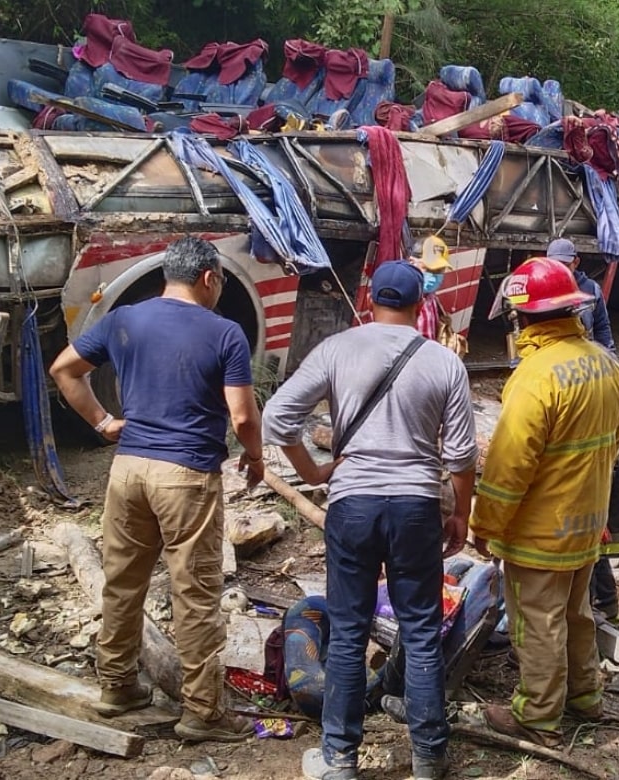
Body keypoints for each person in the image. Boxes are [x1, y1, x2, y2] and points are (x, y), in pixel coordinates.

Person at [261, 261, 478, 780]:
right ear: (420, 305)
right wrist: (461, 515)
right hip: (416, 507)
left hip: (352, 505)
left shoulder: (338, 349)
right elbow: (463, 456)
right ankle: (428, 758)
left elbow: (277, 418)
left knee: (350, 629)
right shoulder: (443, 362)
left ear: (370, 301)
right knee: (422, 631)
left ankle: (339, 760)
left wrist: (313, 470)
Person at [48, 236, 264, 743]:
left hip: (128, 471)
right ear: (209, 278)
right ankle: (203, 712)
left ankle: (117, 685)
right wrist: (254, 457)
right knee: (196, 591)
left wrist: (103, 422)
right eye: (221, 282)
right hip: (186, 475)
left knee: (123, 582)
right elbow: (241, 415)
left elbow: (64, 369)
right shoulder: (226, 332)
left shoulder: (125, 319)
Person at [470, 256, 619, 748]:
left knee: (538, 623)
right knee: (577, 615)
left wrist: (486, 524)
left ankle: (537, 717)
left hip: (541, 530)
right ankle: (585, 698)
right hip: (587, 524)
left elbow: (508, 466)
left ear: (524, 317)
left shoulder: (537, 376)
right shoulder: (606, 362)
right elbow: (618, 444)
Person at [545, 237, 619, 621]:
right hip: (590, 465)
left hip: (583, 469)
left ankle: (598, 602)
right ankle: (599, 602)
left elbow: (604, 335)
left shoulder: (590, 292)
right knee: (588, 529)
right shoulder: (548, 285)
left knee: (587, 531)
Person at [546, 238, 616, 351]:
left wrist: (609, 354)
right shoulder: (540, 289)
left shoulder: (591, 289)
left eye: (566, 265)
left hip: (584, 353)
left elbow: (602, 326)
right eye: (555, 266)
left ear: (576, 262)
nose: (561, 271)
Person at [410, 236, 453, 342]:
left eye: (439, 271)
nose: (433, 276)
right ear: (411, 262)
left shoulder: (431, 297)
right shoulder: (405, 298)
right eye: (427, 269)